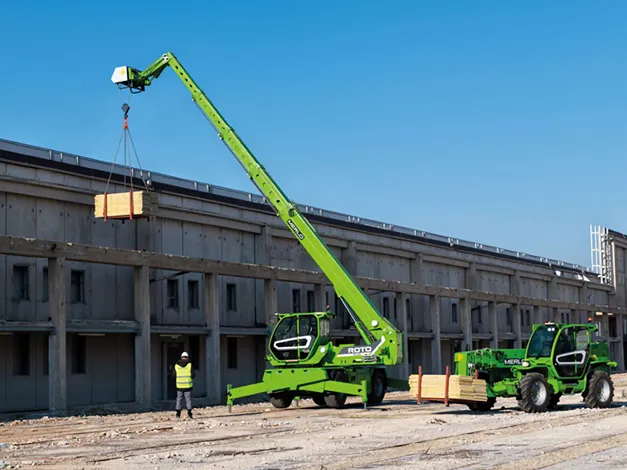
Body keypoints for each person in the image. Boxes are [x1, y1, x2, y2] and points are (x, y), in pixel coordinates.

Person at [173, 351, 195, 419]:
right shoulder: (190, 365)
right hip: (188, 386)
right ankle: (189, 414)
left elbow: (173, 375)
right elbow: (193, 375)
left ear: (181, 357)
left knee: (179, 400)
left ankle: (178, 415)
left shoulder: (176, 365)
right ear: (187, 357)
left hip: (179, 386)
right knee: (188, 400)